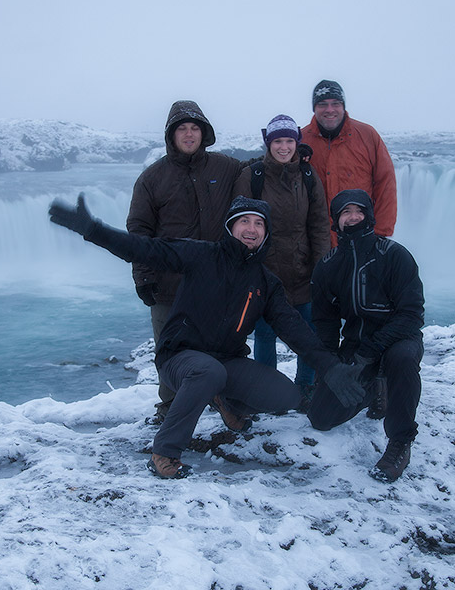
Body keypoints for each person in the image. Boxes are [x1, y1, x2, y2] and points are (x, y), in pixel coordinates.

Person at [49, 194, 364, 479]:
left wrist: (329, 367)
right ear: (231, 227)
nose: (251, 229)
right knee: (206, 371)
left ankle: (228, 403)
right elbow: (144, 248)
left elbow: (295, 329)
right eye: (244, 221)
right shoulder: (201, 254)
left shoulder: (265, 283)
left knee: (286, 395)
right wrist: (93, 229)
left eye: (258, 223)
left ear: (266, 232)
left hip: (226, 361)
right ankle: (164, 453)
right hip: (180, 358)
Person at [126, 100, 248, 425]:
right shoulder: (152, 179)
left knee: (221, 345)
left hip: (215, 282)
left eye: (195, 128)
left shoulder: (226, 168)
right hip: (169, 283)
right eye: (183, 128)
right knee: (169, 350)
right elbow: (138, 230)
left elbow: (255, 171)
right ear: (171, 134)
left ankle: (224, 400)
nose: (190, 134)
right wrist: (143, 277)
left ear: (204, 132)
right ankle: (170, 409)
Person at [308, 189, 424, 483]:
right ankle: (376, 387)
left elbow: (411, 315)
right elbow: (325, 322)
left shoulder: (394, 256)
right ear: (337, 220)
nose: (353, 217)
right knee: (321, 418)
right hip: (357, 345)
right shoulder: (329, 265)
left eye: (358, 211)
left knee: (402, 360)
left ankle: (400, 441)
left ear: (369, 215)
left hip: (398, 340)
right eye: (345, 212)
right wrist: (329, 368)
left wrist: (374, 349)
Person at [233, 114, 330, 396]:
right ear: (269, 143)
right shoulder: (252, 176)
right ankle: (268, 390)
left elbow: (319, 225)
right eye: (278, 141)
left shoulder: (309, 177)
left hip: (303, 271)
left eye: (289, 140)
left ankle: (305, 387)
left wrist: (321, 269)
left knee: (308, 333)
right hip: (265, 273)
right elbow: (240, 224)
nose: (284, 147)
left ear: (297, 142)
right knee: (264, 335)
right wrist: (244, 267)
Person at [301, 80, 398, 246]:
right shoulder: (301, 140)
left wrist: (380, 233)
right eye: (322, 104)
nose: (329, 110)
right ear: (314, 108)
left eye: (335, 104)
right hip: (315, 240)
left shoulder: (367, 135)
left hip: (362, 235)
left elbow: (385, 184)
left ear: (343, 106)